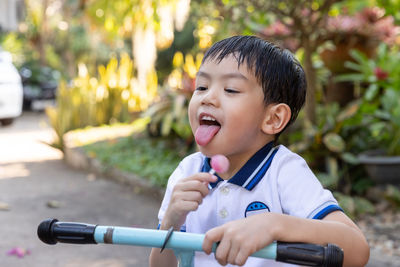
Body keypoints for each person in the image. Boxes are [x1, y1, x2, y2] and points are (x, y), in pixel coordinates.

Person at [149, 35, 369, 267]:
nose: (208, 98)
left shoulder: (283, 172)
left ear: (273, 118)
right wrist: (171, 222)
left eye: (231, 89)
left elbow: (357, 249)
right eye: (201, 86)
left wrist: (274, 225)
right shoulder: (187, 172)